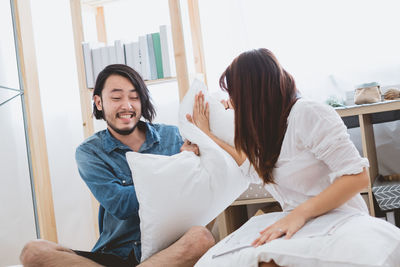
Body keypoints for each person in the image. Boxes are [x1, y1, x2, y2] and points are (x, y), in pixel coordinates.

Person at [188, 49, 400, 267]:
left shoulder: (308, 114)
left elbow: (357, 177)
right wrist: (208, 135)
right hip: (301, 223)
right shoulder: (266, 129)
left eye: (234, 94)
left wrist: (299, 214)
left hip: (336, 219)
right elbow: (251, 168)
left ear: (251, 93)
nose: (231, 102)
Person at [20, 64, 215, 267]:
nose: (127, 106)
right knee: (33, 251)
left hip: (167, 252)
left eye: (134, 97)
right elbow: (122, 204)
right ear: (99, 102)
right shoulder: (90, 152)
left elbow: (199, 190)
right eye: (116, 98)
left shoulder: (174, 137)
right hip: (115, 255)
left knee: (202, 237)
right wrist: (177, 167)